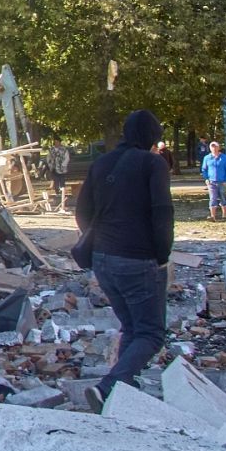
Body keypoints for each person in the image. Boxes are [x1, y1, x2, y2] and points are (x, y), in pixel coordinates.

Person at [74, 109, 174, 406]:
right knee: (151, 333)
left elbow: (82, 211)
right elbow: (162, 212)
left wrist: (99, 239)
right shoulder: (152, 164)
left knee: (132, 327)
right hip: (138, 259)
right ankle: (108, 387)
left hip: (103, 259)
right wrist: (162, 254)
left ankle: (118, 392)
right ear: (150, 137)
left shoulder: (101, 163)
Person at [200, 141, 226, 221]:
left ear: (218, 148)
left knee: (223, 197)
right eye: (212, 147)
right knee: (212, 198)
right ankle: (213, 216)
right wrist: (206, 179)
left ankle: (224, 215)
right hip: (211, 182)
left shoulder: (224, 158)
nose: (214, 148)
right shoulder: (207, 158)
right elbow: (204, 169)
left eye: (215, 147)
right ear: (210, 148)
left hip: (222, 181)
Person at [46, 138, 72, 212]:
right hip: (54, 168)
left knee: (62, 179)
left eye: (57, 142)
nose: (56, 143)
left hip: (61, 168)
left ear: (60, 142)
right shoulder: (51, 150)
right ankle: (57, 192)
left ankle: (62, 192)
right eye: (55, 142)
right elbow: (48, 157)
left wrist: (64, 165)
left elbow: (67, 158)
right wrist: (50, 164)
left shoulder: (64, 150)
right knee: (55, 180)